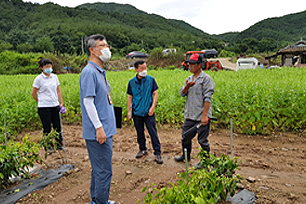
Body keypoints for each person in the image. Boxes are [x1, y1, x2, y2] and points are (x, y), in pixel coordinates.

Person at [79, 34, 117, 204]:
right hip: (99, 132)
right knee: (104, 171)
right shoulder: (89, 72)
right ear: (92, 50)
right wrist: (99, 128)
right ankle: (101, 202)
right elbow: (88, 102)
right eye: (102, 45)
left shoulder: (99, 72)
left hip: (104, 129)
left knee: (98, 169)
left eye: (107, 45)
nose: (107, 48)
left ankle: (97, 200)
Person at [174, 53, 215, 169]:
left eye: (192, 64)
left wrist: (205, 116)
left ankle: (205, 162)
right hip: (190, 115)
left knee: (202, 140)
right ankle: (185, 156)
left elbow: (208, 98)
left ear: (199, 65)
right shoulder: (189, 79)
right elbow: (182, 93)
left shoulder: (206, 79)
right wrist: (186, 87)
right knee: (185, 137)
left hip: (201, 116)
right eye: (189, 64)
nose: (190, 66)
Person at [127, 60, 163, 164]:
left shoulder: (151, 80)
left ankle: (157, 153)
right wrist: (129, 111)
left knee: (153, 132)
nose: (144, 70)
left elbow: (155, 94)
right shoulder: (131, 82)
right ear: (136, 69)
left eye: (145, 68)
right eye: (142, 68)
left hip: (148, 112)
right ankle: (143, 149)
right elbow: (130, 97)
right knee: (139, 132)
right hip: (137, 112)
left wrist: (152, 108)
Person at [31, 58, 66, 151]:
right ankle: (49, 146)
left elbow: (58, 91)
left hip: (55, 105)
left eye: (50, 66)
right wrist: (40, 101)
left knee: (57, 127)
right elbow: (33, 93)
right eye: (46, 66)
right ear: (41, 68)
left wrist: (61, 102)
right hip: (44, 107)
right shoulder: (39, 79)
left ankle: (59, 144)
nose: (49, 68)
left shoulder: (54, 77)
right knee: (47, 128)